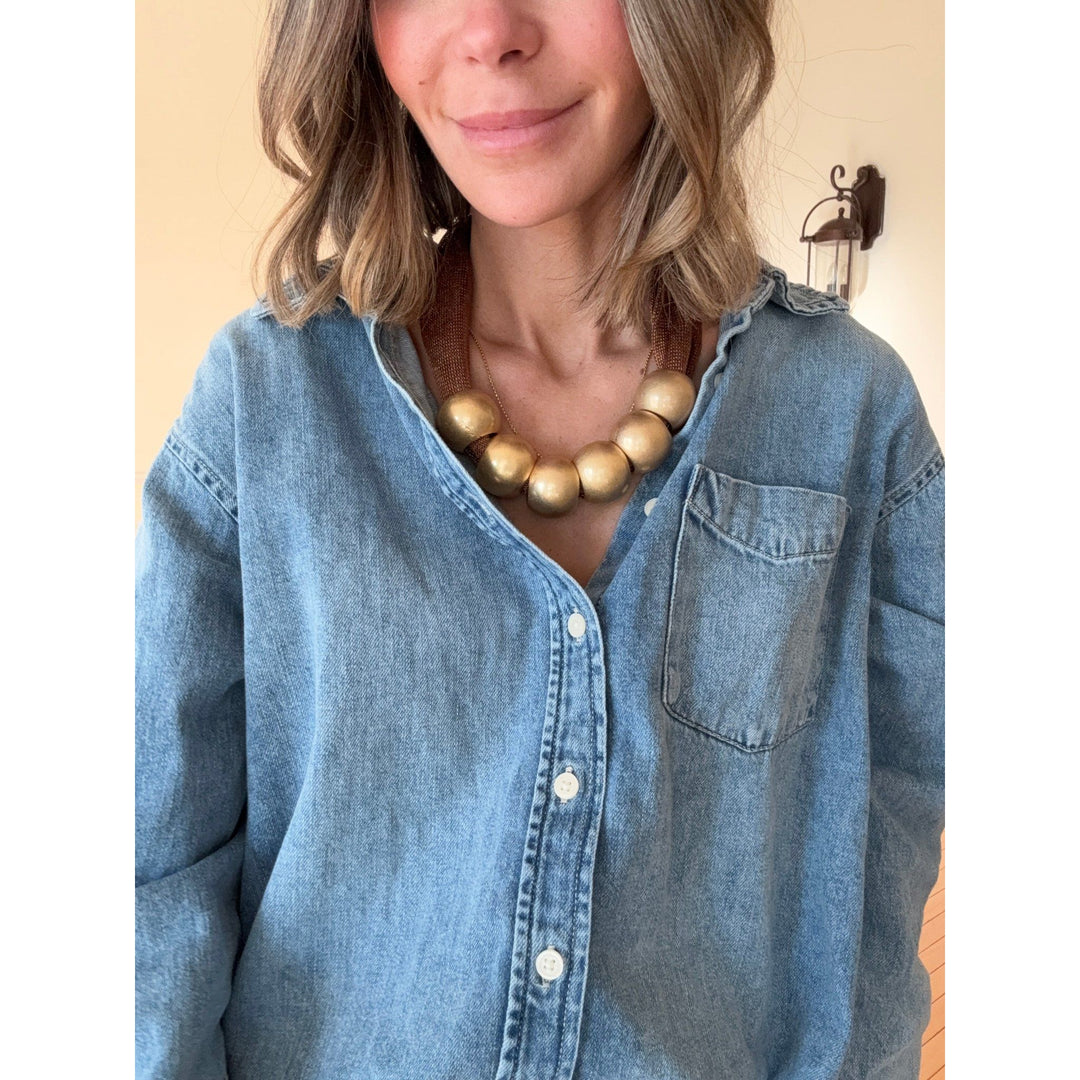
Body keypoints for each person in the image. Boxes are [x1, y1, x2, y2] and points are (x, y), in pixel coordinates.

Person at [135, 0, 944, 1077]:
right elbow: (149, 886)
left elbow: (875, 903)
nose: (488, 32)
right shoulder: (264, 400)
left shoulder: (852, 418)